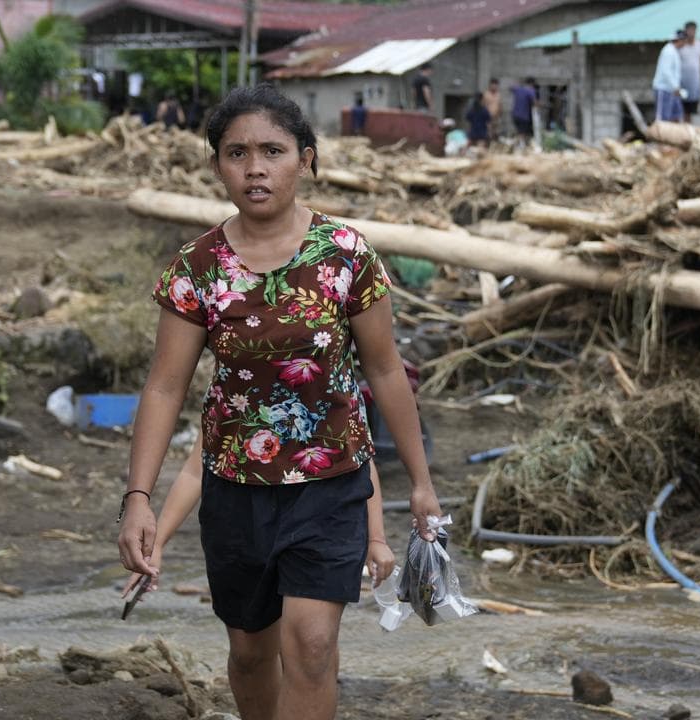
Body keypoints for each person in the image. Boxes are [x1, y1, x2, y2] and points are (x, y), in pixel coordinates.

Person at [117, 84, 441, 720]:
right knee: (248, 650)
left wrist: (422, 484)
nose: (255, 167)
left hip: (332, 482)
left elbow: (385, 370)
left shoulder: (346, 255)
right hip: (235, 486)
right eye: (236, 153)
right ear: (217, 167)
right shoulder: (197, 267)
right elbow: (164, 386)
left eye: (272, 150)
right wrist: (138, 499)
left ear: (306, 160)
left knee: (314, 646)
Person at [122, 438, 395, 607]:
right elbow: (195, 471)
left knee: (313, 640)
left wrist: (377, 539)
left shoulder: (328, 378)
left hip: (321, 515)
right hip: (246, 522)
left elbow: (360, 460)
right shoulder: (235, 390)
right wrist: (156, 545)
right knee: (253, 652)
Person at [653, 31, 686, 123]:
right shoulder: (668, 51)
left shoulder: (675, 51)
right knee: (662, 118)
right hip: (663, 89)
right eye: (684, 41)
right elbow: (666, 71)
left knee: (676, 115)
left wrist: (676, 88)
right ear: (680, 40)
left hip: (672, 90)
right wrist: (675, 87)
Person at [678, 21, 700, 123]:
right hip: (682, 84)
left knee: (691, 110)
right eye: (689, 30)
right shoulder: (681, 46)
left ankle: (689, 130)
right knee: (682, 109)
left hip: (695, 83)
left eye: (693, 30)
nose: (691, 32)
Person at [510, 76, 537, 145]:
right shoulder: (531, 90)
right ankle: (520, 146)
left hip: (515, 115)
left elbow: (511, 88)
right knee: (522, 132)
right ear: (532, 84)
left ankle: (517, 144)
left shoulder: (518, 89)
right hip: (523, 115)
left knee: (519, 131)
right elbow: (534, 103)